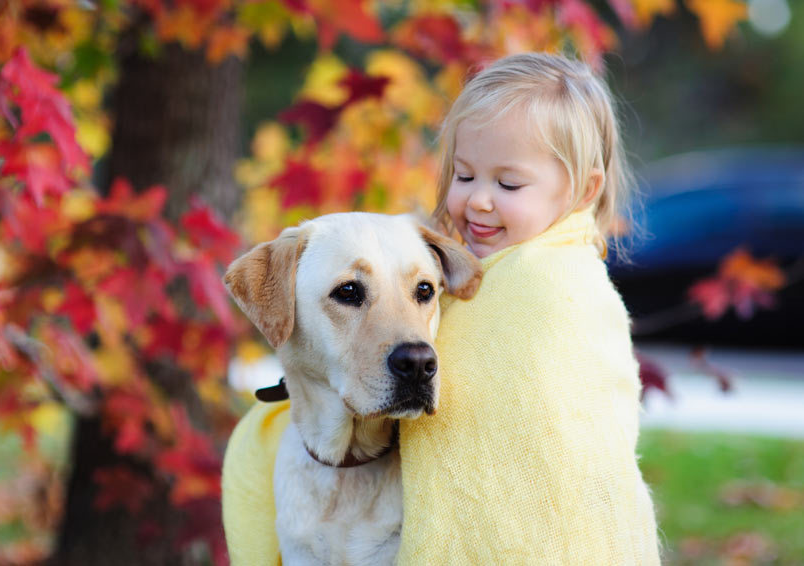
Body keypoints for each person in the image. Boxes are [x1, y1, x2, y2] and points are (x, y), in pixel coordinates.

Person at [222, 52, 660, 564]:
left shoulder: (542, 292)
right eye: (350, 294)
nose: (413, 348)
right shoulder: (453, 260)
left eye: (422, 293)